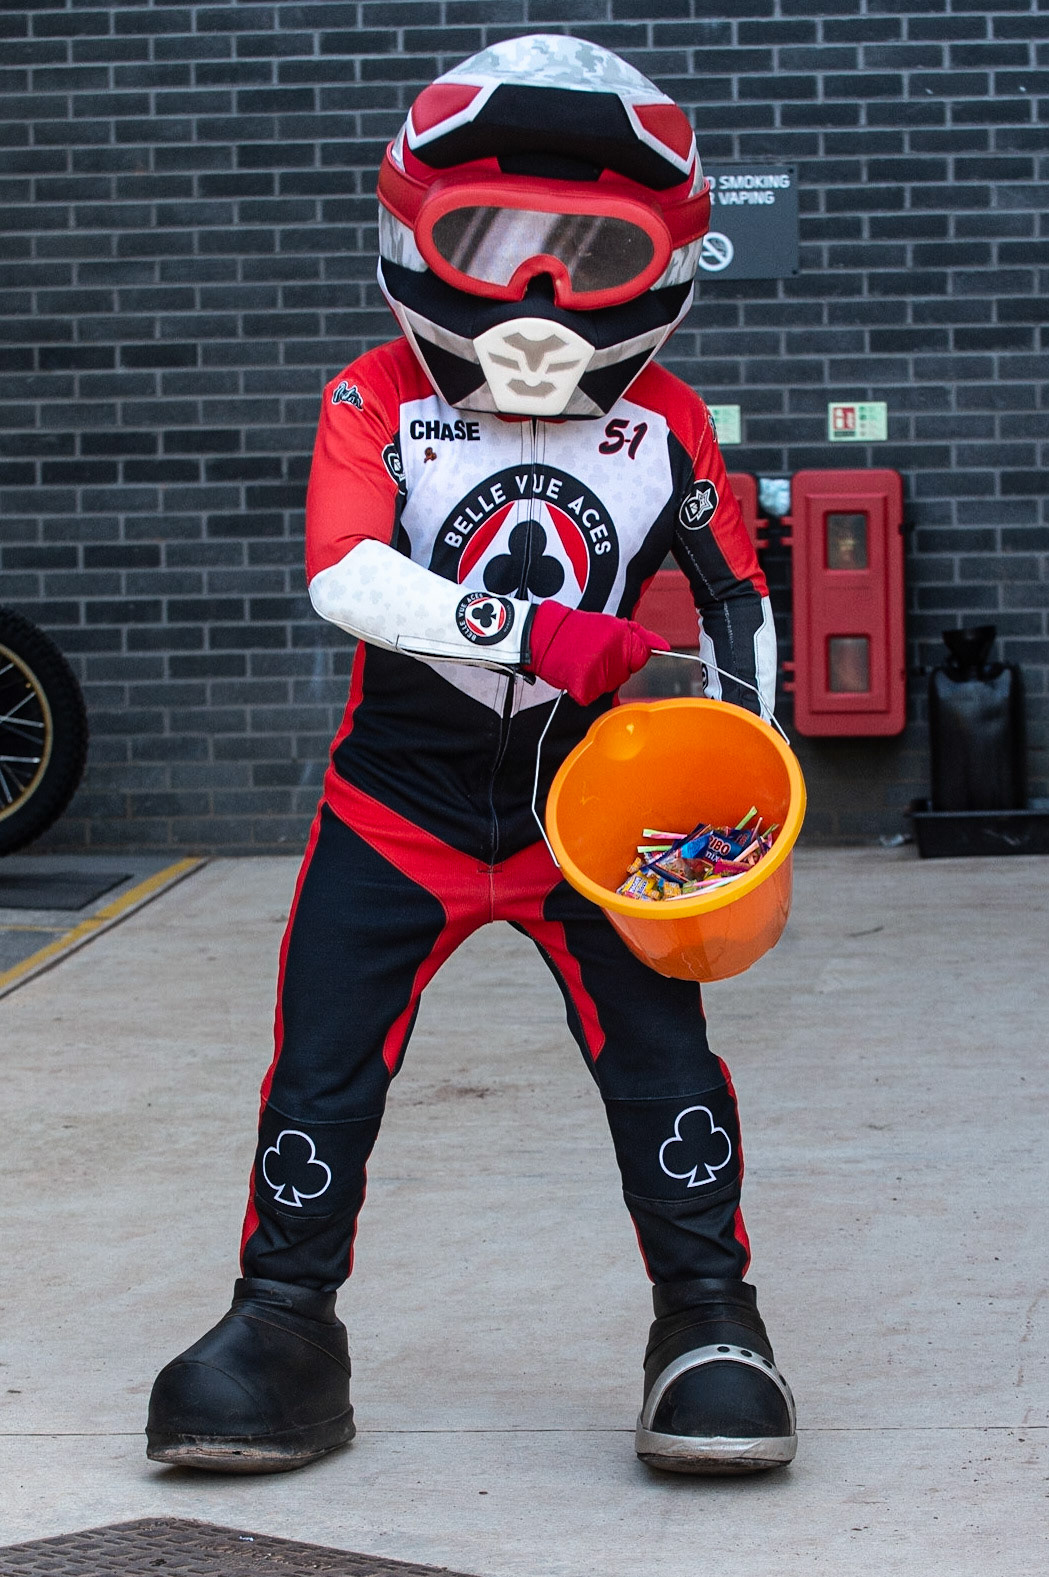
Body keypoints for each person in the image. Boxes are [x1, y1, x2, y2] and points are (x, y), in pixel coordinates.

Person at [147, 34, 793, 1478]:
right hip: (397, 802)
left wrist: (751, 769)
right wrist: (551, 633)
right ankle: (282, 1323)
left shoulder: (667, 422)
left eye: (590, 251)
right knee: (320, 1070)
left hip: (594, 814)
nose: (541, 295)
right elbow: (347, 576)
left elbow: (739, 596)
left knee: (662, 1064)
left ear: (665, 257)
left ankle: (709, 1319)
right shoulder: (374, 395)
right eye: (494, 241)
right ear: (416, 234)